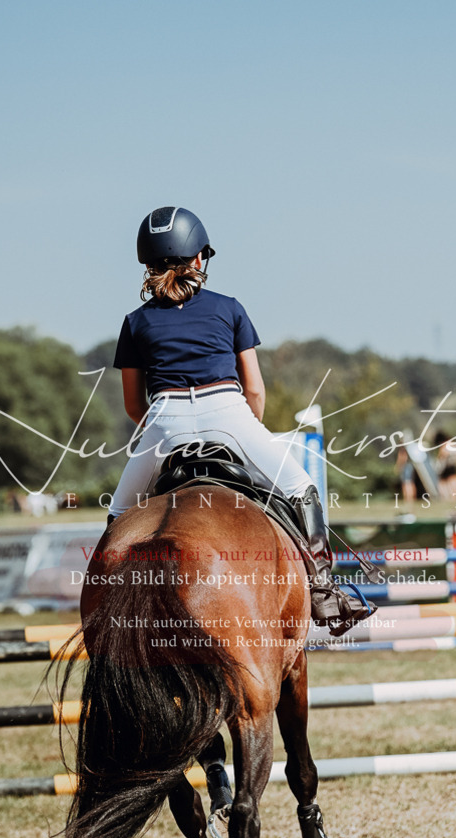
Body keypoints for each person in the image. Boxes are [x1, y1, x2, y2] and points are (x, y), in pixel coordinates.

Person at [108, 206, 372, 637]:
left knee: (120, 515)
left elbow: (134, 406)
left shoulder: (135, 322)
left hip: (163, 423)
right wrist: (248, 432)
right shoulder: (229, 308)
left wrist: (166, 429)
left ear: (147, 263)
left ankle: (110, 614)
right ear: (198, 259)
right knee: (300, 488)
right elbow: (255, 390)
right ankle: (325, 592)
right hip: (228, 414)